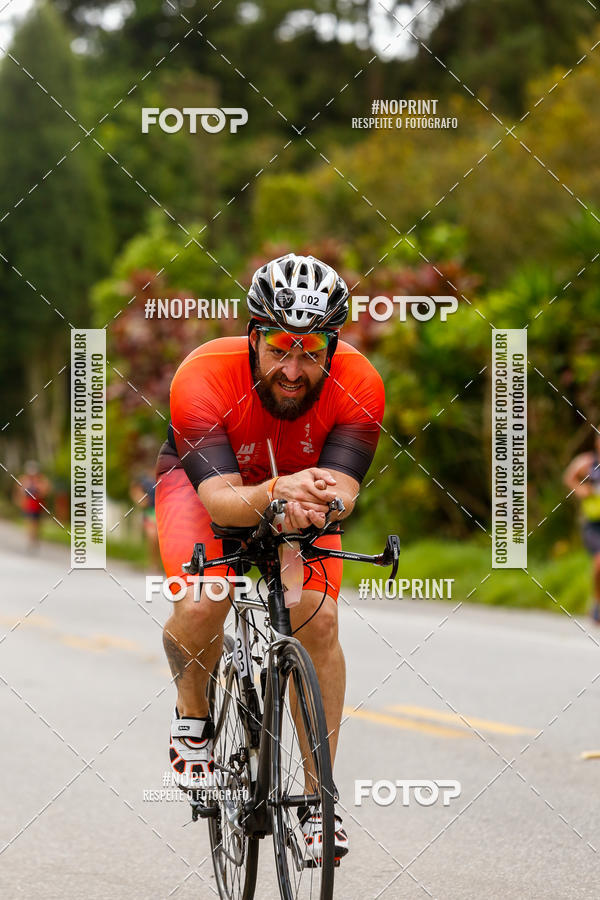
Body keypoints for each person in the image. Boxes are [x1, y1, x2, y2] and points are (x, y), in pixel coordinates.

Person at [155, 252, 385, 862]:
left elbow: (343, 490)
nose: (293, 368)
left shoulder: (359, 384)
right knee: (206, 599)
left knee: (318, 617)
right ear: (253, 335)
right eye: (280, 346)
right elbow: (222, 502)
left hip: (294, 495)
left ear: (333, 348)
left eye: (311, 351)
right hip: (210, 486)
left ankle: (318, 802)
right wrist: (277, 491)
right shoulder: (202, 375)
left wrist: (321, 506)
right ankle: (192, 717)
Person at [563, 430, 600, 622]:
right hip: (594, 523)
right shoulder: (588, 463)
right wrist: (581, 489)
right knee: (599, 562)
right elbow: (569, 476)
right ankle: (597, 602)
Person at [15, 460, 50, 551]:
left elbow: (45, 491)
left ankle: (35, 538)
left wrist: (39, 489)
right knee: (30, 522)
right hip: (28, 505)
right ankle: (31, 539)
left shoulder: (41, 480)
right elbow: (19, 491)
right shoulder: (24, 479)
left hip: (38, 505)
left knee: (37, 523)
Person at [129, 471, 160, 569]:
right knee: (153, 537)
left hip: (164, 511)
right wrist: (140, 499)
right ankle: (154, 563)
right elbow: (134, 489)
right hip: (150, 512)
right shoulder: (143, 479)